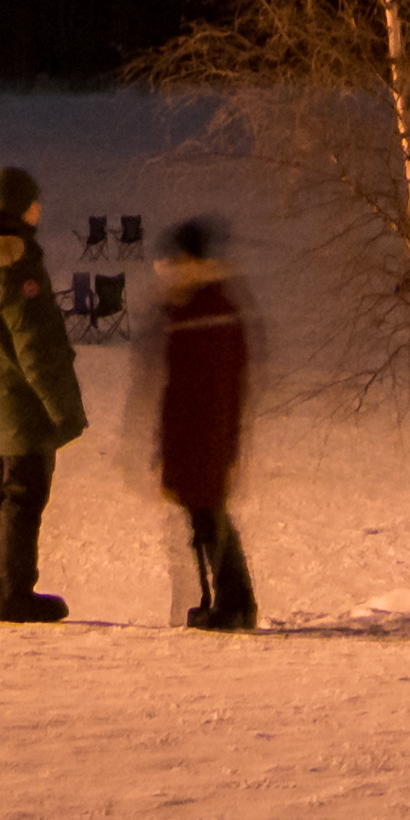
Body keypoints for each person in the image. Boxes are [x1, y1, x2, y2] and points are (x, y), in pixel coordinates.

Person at [0, 164, 88, 619]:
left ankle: (5, 588)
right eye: (34, 201)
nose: (39, 208)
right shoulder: (17, 268)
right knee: (22, 496)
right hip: (23, 404)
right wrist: (63, 410)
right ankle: (13, 595)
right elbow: (36, 347)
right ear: (22, 207)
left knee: (5, 494)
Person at [150, 216, 256, 631]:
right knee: (208, 516)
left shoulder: (194, 308)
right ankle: (231, 601)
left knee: (209, 517)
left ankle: (233, 603)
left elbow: (185, 384)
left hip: (199, 431)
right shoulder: (214, 304)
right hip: (208, 429)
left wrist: (171, 444)